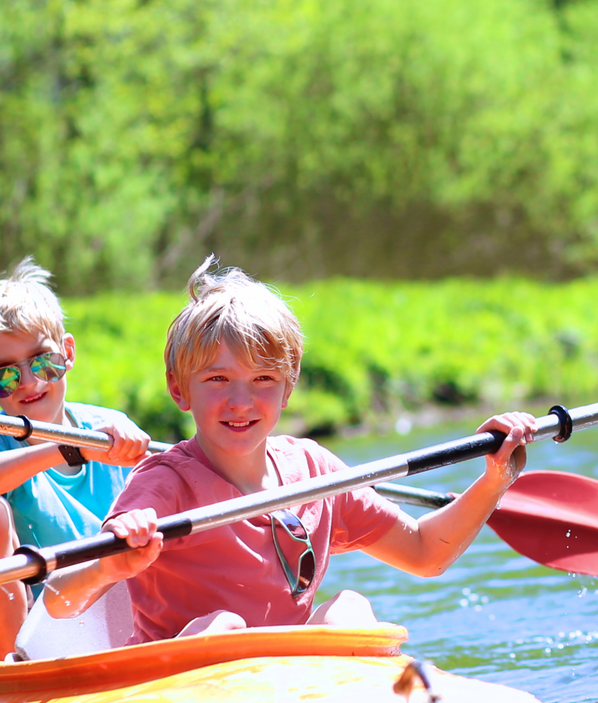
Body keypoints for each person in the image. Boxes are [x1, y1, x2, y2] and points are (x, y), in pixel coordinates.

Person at [44, 256, 538, 644]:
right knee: (223, 626)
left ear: (289, 386)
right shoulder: (162, 484)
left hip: (289, 695)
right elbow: (61, 603)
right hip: (182, 692)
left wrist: (495, 479)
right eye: (218, 379)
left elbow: (426, 553)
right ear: (180, 390)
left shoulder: (314, 470)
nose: (241, 401)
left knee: (348, 609)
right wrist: (112, 563)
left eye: (263, 379)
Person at [0, 258, 150, 659]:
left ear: (68, 352)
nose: (30, 381)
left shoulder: (110, 425)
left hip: (101, 614)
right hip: (25, 631)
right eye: (5, 375)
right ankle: (10, 670)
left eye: (43, 361)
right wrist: (64, 447)